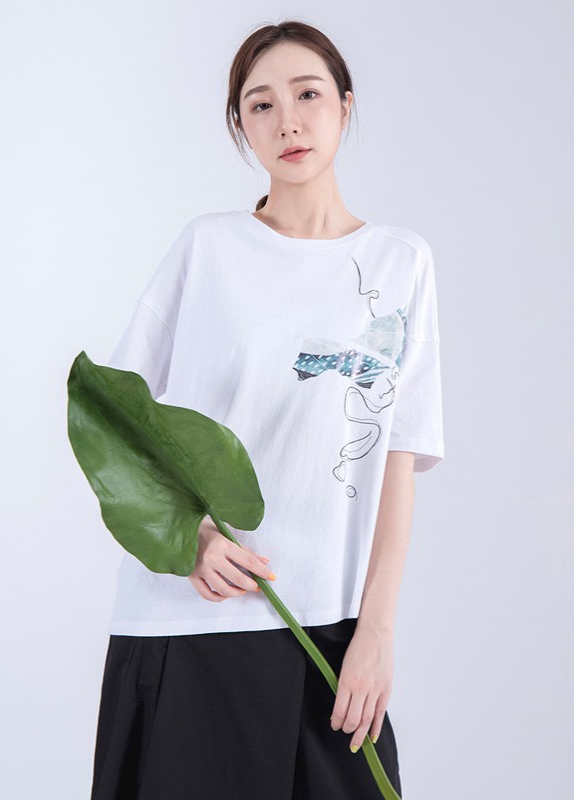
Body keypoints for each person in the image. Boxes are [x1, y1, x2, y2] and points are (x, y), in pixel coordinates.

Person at [89, 18, 444, 800]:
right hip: (189, 626)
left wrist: (377, 630)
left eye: (308, 94)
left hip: (327, 633)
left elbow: (399, 456)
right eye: (260, 105)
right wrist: (189, 537)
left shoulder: (401, 262)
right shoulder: (207, 248)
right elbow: (110, 414)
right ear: (240, 125)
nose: (287, 121)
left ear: (345, 105)